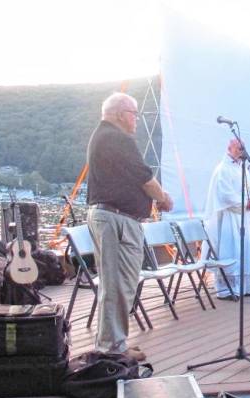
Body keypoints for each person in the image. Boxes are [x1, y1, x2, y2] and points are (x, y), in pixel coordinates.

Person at [86, 92, 173, 362]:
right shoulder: (116, 138)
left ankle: (115, 343)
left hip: (114, 219)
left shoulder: (106, 137)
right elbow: (144, 178)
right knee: (118, 285)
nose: (136, 119)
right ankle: (112, 348)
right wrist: (163, 198)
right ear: (120, 113)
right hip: (116, 221)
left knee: (119, 285)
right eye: (135, 113)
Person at [203, 138, 250, 299]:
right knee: (230, 249)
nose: (241, 152)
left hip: (244, 217)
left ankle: (245, 287)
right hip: (229, 217)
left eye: (243, 149)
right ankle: (226, 289)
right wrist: (244, 202)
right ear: (230, 148)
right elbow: (224, 195)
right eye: (239, 148)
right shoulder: (222, 169)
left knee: (245, 250)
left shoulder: (243, 168)